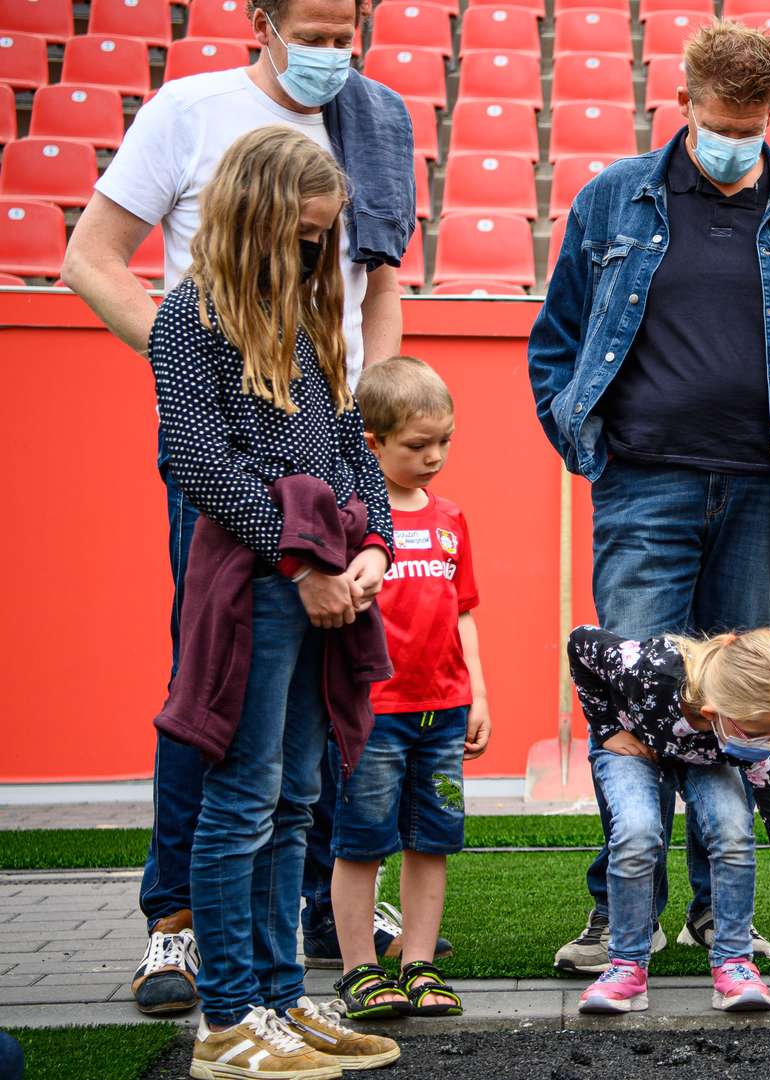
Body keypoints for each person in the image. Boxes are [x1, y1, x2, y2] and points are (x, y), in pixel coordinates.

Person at [61, 0, 415, 1013]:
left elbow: (371, 309)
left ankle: (294, 952)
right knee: (219, 722)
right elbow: (94, 264)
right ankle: (187, 938)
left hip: (325, 489)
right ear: (262, 22)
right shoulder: (190, 121)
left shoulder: (370, 139)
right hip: (246, 509)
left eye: (349, 29)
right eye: (314, 28)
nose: (333, 50)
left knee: (294, 770)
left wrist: (369, 533)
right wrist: (226, 380)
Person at [528, 18, 770, 976]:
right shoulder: (612, 200)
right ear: (683, 103)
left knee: (741, 708)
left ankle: (727, 920)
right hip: (643, 488)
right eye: (719, 120)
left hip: (769, 493)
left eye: (751, 124)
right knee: (630, 708)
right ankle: (616, 910)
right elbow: (556, 339)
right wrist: (585, 444)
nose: (733, 139)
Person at [148, 127, 399, 1079]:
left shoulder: (306, 325)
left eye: (319, 238)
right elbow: (198, 460)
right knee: (243, 802)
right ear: (253, 217)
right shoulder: (188, 318)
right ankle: (227, 1023)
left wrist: (373, 544)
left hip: (327, 589)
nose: (308, 252)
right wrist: (302, 566)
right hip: (257, 589)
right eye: (297, 235)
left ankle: (284, 1003)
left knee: (297, 802)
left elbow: (350, 448)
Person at [566, 626, 770, 1030]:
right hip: (634, 740)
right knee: (637, 831)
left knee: (733, 829)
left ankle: (734, 962)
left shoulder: (754, 746)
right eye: (758, 734)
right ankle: (626, 966)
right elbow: (581, 642)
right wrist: (605, 727)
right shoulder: (647, 670)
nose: (767, 746)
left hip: (708, 755)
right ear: (713, 713)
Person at [327, 357, 490, 1021]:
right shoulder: (355, 522)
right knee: (362, 843)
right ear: (373, 444)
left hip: (443, 716)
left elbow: (463, 612)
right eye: (418, 446)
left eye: (445, 442)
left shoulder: (451, 519)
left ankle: (418, 963)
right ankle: (361, 969)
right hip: (376, 717)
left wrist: (478, 693)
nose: (435, 457)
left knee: (433, 840)